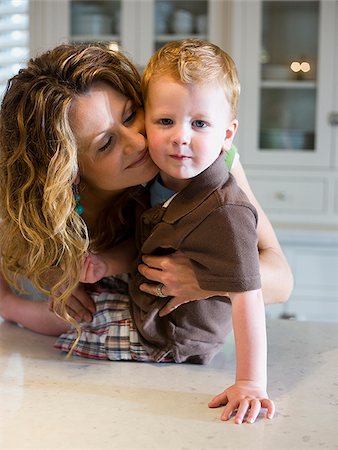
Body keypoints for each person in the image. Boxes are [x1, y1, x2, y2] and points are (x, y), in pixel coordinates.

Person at [0, 42, 291, 379]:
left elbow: (281, 281)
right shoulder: (41, 208)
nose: (139, 142)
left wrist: (201, 279)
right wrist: (57, 276)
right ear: (69, 172)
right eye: (106, 143)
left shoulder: (205, 161)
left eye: (130, 115)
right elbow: (17, 251)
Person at [55, 39, 275, 424]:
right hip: (148, 301)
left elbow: (249, 296)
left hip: (171, 334)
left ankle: (14, 308)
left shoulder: (225, 208)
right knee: (80, 293)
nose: (181, 137)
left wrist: (250, 382)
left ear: (227, 135)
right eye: (165, 121)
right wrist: (106, 263)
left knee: (72, 321)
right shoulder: (160, 176)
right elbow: (144, 249)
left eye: (200, 123)